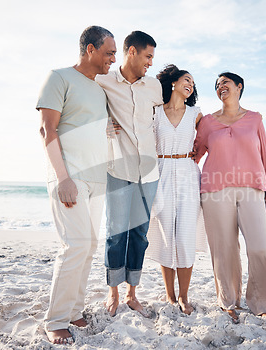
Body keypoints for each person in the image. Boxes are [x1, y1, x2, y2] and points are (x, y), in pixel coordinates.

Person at [36, 26, 116, 344]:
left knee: (90, 247)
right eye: (109, 52)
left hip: (98, 179)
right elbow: (47, 129)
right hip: (70, 176)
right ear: (90, 50)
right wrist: (63, 178)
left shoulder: (100, 90)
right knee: (76, 246)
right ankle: (55, 320)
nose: (113, 58)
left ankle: (74, 311)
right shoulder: (59, 77)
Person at [194, 72, 266, 323]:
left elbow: (264, 155)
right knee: (224, 249)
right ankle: (228, 301)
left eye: (225, 82)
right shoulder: (208, 122)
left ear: (239, 87)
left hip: (252, 189)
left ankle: (264, 301)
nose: (220, 86)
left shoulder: (255, 119)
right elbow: (194, 154)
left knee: (259, 246)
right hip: (214, 190)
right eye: (217, 85)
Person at [96, 31, 163, 317]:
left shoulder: (154, 86)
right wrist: (103, 123)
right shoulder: (104, 81)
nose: (150, 63)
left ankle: (132, 293)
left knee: (140, 234)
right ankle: (112, 293)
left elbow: (166, 118)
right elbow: (84, 107)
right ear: (131, 52)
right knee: (115, 233)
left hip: (149, 173)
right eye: (148, 56)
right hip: (118, 167)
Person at [146, 64, 206, 315]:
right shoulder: (155, 112)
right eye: (186, 79)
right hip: (160, 172)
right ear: (173, 83)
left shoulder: (196, 114)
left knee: (184, 236)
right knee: (165, 236)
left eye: (192, 82)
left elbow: (207, 140)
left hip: (187, 173)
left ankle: (183, 296)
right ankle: (170, 296)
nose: (190, 84)